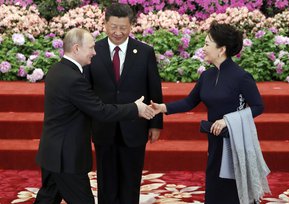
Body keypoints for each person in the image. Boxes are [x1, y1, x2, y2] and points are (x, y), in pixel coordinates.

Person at [34, 28, 155, 204]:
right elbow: (100, 111)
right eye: (90, 48)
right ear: (76, 48)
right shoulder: (73, 79)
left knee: (47, 198)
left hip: (52, 153)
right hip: (66, 158)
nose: (94, 52)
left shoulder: (57, 70)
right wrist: (135, 108)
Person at [151, 22, 264, 204]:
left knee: (233, 188)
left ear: (221, 49)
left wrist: (228, 120)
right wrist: (162, 108)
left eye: (207, 44)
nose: (203, 48)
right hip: (214, 138)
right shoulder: (207, 76)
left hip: (235, 140)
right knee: (214, 184)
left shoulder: (242, 77)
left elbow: (258, 106)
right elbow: (189, 102)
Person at [84, 3, 163, 204]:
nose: (118, 32)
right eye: (113, 27)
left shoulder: (145, 52)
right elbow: (86, 89)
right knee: (106, 181)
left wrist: (155, 124)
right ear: (104, 25)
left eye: (123, 27)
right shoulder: (94, 51)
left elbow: (154, 89)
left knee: (131, 181)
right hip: (103, 126)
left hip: (135, 126)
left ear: (131, 26)